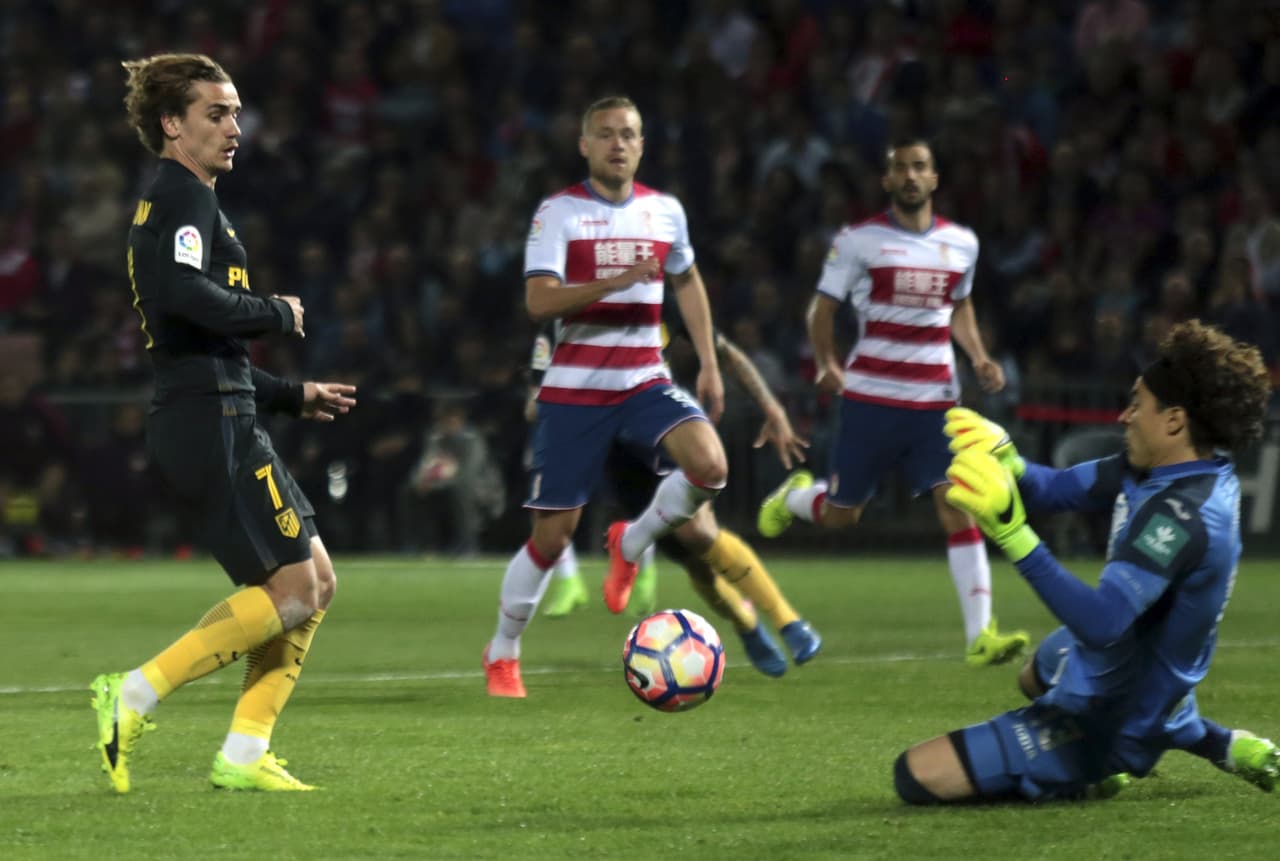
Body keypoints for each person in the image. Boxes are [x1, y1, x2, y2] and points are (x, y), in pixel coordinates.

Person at [90, 54, 357, 794]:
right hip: (208, 424)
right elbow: (183, 296)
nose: (234, 127)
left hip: (223, 411)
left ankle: (243, 753)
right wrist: (277, 310)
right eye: (217, 113)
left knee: (315, 582)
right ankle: (134, 693)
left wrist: (290, 393)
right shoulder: (180, 195)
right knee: (296, 589)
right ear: (172, 124)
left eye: (237, 112)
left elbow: (209, 350)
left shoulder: (194, 198)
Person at [893, 320, 1278, 804]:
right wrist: (1009, 460)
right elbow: (1052, 489)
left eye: (1138, 404)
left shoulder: (1179, 517)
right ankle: (1213, 740)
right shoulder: (1164, 467)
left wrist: (1014, 536)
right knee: (1036, 672)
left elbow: (1102, 622)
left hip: (1118, 710)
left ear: (1175, 420)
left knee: (914, 775)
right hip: (1147, 669)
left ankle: (1098, 763)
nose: (1125, 415)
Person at [483, 95, 728, 698]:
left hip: (645, 377)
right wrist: (614, 281)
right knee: (552, 539)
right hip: (575, 388)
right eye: (606, 134)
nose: (619, 143)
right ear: (585, 145)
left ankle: (633, 539)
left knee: (711, 466)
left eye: (630, 134)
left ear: (642, 146)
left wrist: (711, 363)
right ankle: (503, 651)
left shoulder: (665, 212)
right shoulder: (559, 213)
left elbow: (688, 278)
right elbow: (539, 301)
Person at [756, 137, 1029, 666]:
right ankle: (794, 497)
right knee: (842, 515)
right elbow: (821, 310)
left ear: (935, 178)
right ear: (887, 181)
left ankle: (980, 635)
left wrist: (978, 356)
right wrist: (828, 363)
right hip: (871, 401)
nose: (910, 176)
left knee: (958, 504)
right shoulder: (859, 241)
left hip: (935, 403)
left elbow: (960, 307)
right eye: (900, 168)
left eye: (919, 167)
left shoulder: (961, 244)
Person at [533, 316, 823, 676]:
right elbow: (536, 399)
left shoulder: (654, 294)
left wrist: (771, 407)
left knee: (699, 532)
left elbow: (724, 352)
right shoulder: (562, 321)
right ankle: (746, 624)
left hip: (660, 423)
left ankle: (787, 621)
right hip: (616, 451)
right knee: (695, 563)